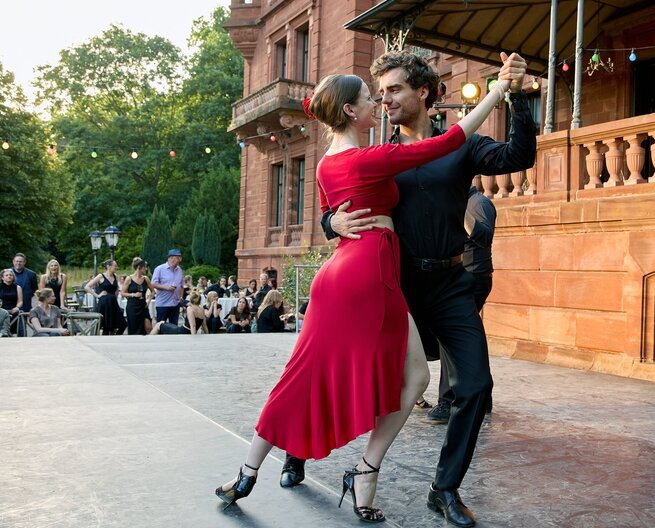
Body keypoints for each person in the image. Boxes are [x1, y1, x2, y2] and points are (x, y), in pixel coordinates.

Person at [215, 62, 514, 524]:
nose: (379, 103)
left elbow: (331, 210)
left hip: (356, 273)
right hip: (367, 276)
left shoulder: (327, 162)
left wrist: (333, 221)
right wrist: (497, 92)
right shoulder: (368, 157)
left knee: (352, 375)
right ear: (353, 111)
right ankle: (280, 469)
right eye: (371, 98)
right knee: (327, 375)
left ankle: (266, 471)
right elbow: (449, 141)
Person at [315, 51, 534, 527]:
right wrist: (333, 220)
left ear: (424, 93)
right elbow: (332, 203)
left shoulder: (462, 146)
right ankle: (297, 453)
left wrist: (520, 99)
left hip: (451, 283)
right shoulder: (376, 154)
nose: (385, 99)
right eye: (381, 91)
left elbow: (519, 156)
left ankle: (445, 489)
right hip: (394, 283)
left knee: (475, 385)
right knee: (346, 371)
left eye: (394, 90)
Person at [427, 186, 497, 424]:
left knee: (450, 338)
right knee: (469, 338)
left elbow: (483, 236)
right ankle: (482, 396)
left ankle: (448, 402)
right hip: (464, 277)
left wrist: (458, 211)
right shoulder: (463, 201)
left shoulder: (478, 203)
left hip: (472, 278)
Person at [85, 260, 127, 335]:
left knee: (123, 324)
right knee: (106, 326)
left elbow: (116, 289)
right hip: (104, 303)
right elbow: (87, 287)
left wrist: (116, 297)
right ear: (109, 266)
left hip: (113, 302)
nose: (116, 267)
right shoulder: (101, 276)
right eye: (115, 266)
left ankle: (115, 337)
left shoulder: (115, 276)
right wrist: (97, 295)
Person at [122, 257, 155, 336]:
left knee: (148, 327)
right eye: (145, 267)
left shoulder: (146, 279)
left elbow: (153, 291)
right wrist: (133, 295)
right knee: (134, 328)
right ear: (139, 267)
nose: (146, 269)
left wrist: (149, 301)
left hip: (143, 306)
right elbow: (122, 293)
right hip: (133, 306)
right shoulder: (129, 279)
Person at [151, 249, 184, 324]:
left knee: (174, 326)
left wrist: (181, 297)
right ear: (171, 258)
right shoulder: (159, 269)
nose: (180, 260)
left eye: (180, 258)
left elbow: (182, 285)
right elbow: (153, 283)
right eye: (178, 257)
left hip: (175, 303)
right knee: (161, 325)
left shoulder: (179, 270)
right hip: (163, 304)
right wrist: (166, 287)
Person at [0, 268, 23, 335]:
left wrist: (17, 307)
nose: (9, 276)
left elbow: (20, 301)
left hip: (14, 311)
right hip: (1, 312)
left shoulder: (18, 287)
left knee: (13, 332)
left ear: (13, 277)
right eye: (6, 275)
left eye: (11, 275)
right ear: (2, 277)